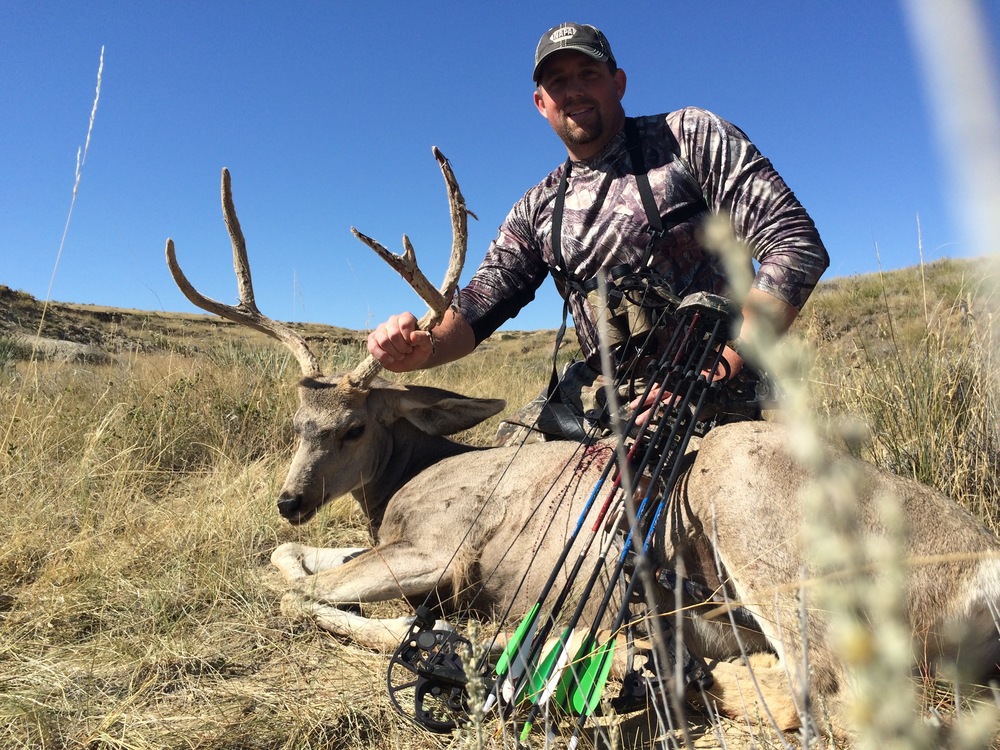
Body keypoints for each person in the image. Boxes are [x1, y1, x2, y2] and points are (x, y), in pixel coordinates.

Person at [368, 22, 829, 443]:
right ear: (541, 103)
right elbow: (478, 306)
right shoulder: (538, 208)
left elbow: (794, 242)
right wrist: (420, 348)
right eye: (558, 82)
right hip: (601, 402)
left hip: (714, 392)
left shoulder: (686, 137)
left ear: (619, 82)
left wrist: (725, 364)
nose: (574, 91)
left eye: (588, 74)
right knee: (496, 468)